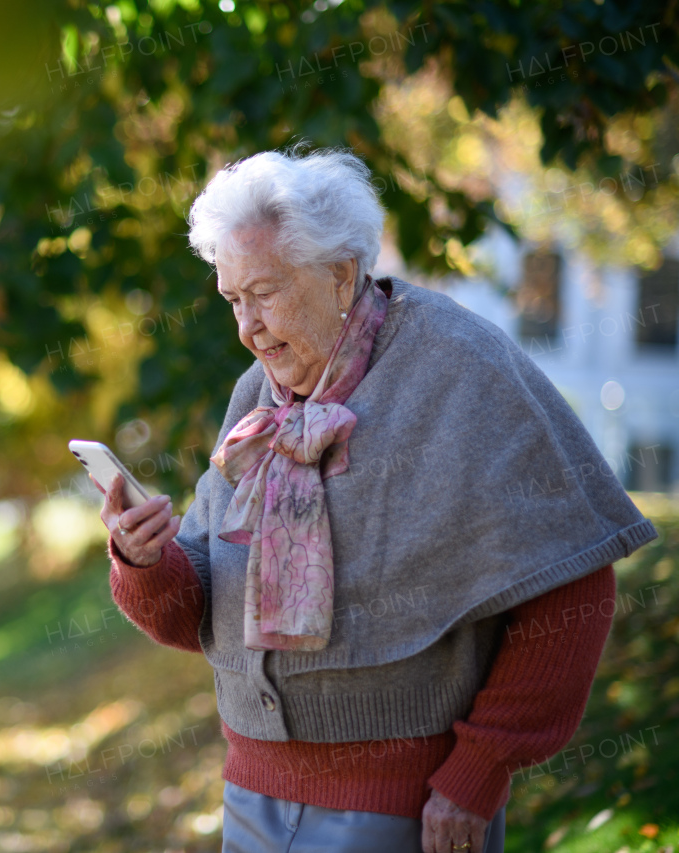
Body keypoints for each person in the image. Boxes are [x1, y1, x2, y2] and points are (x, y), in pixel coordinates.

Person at [93, 147, 657, 853]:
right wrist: (143, 560)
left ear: (340, 274)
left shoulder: (459, 367)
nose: (247, 328)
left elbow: (571, 579)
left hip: (402, 812)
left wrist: (475, 775)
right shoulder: (256, 399)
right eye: (233, 300)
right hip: (251, 799)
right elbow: (198, 614)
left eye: (264, 292)